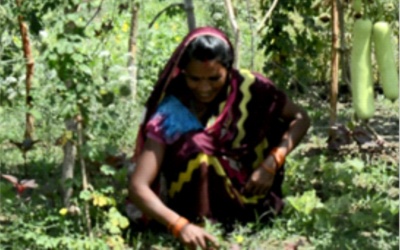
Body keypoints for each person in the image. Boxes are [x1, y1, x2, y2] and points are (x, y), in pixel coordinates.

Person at [128, 26, 310, 250]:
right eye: (194, 79)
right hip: (192, 209)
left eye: (215, 78)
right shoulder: (173, 110)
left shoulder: (253, 88)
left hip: (253, 197)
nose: (204, 88)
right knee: (198, 150)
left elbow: (301, 118)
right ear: (183, 72)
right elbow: (138, 186)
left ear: (229, 70)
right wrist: (179, 225)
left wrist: (272, 163)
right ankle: (205, 226)